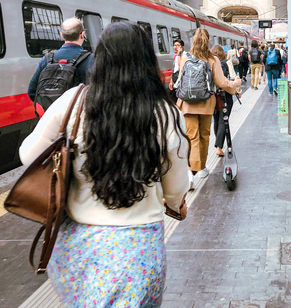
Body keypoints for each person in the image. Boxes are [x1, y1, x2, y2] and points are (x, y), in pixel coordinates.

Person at [19, 21, 190, 307]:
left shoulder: (73, 101)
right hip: (139, 250)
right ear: (147, 60)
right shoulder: (165, 113)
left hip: (77, 246)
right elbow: (176, 187)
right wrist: (175, 203)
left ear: (100, 58)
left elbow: (28, 155)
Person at [178, 29, 241, 188]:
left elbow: (181, 79)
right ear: (208, 41)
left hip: (187, 103)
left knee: (192, 137)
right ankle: (198, 169)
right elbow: (222, 83)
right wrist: (236, 84)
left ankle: (191, 173)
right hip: (206, 104)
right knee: (204, 135)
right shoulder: (212, 59)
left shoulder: (185, 57)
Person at [27, 17, 94, 104]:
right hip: (78, 116)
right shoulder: (91, 59)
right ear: (82, 35)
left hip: (52, 115)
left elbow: (32, 91)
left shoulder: (47, 59)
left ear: (61, 35)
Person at [211, 46, 235, 157]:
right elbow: (232, 77)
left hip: (213, 96)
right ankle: (219, 146)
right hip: (225, 95)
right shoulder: (226, 63)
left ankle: (217, 141)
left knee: (216, 120)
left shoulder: (210, 64)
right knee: (223, 120)